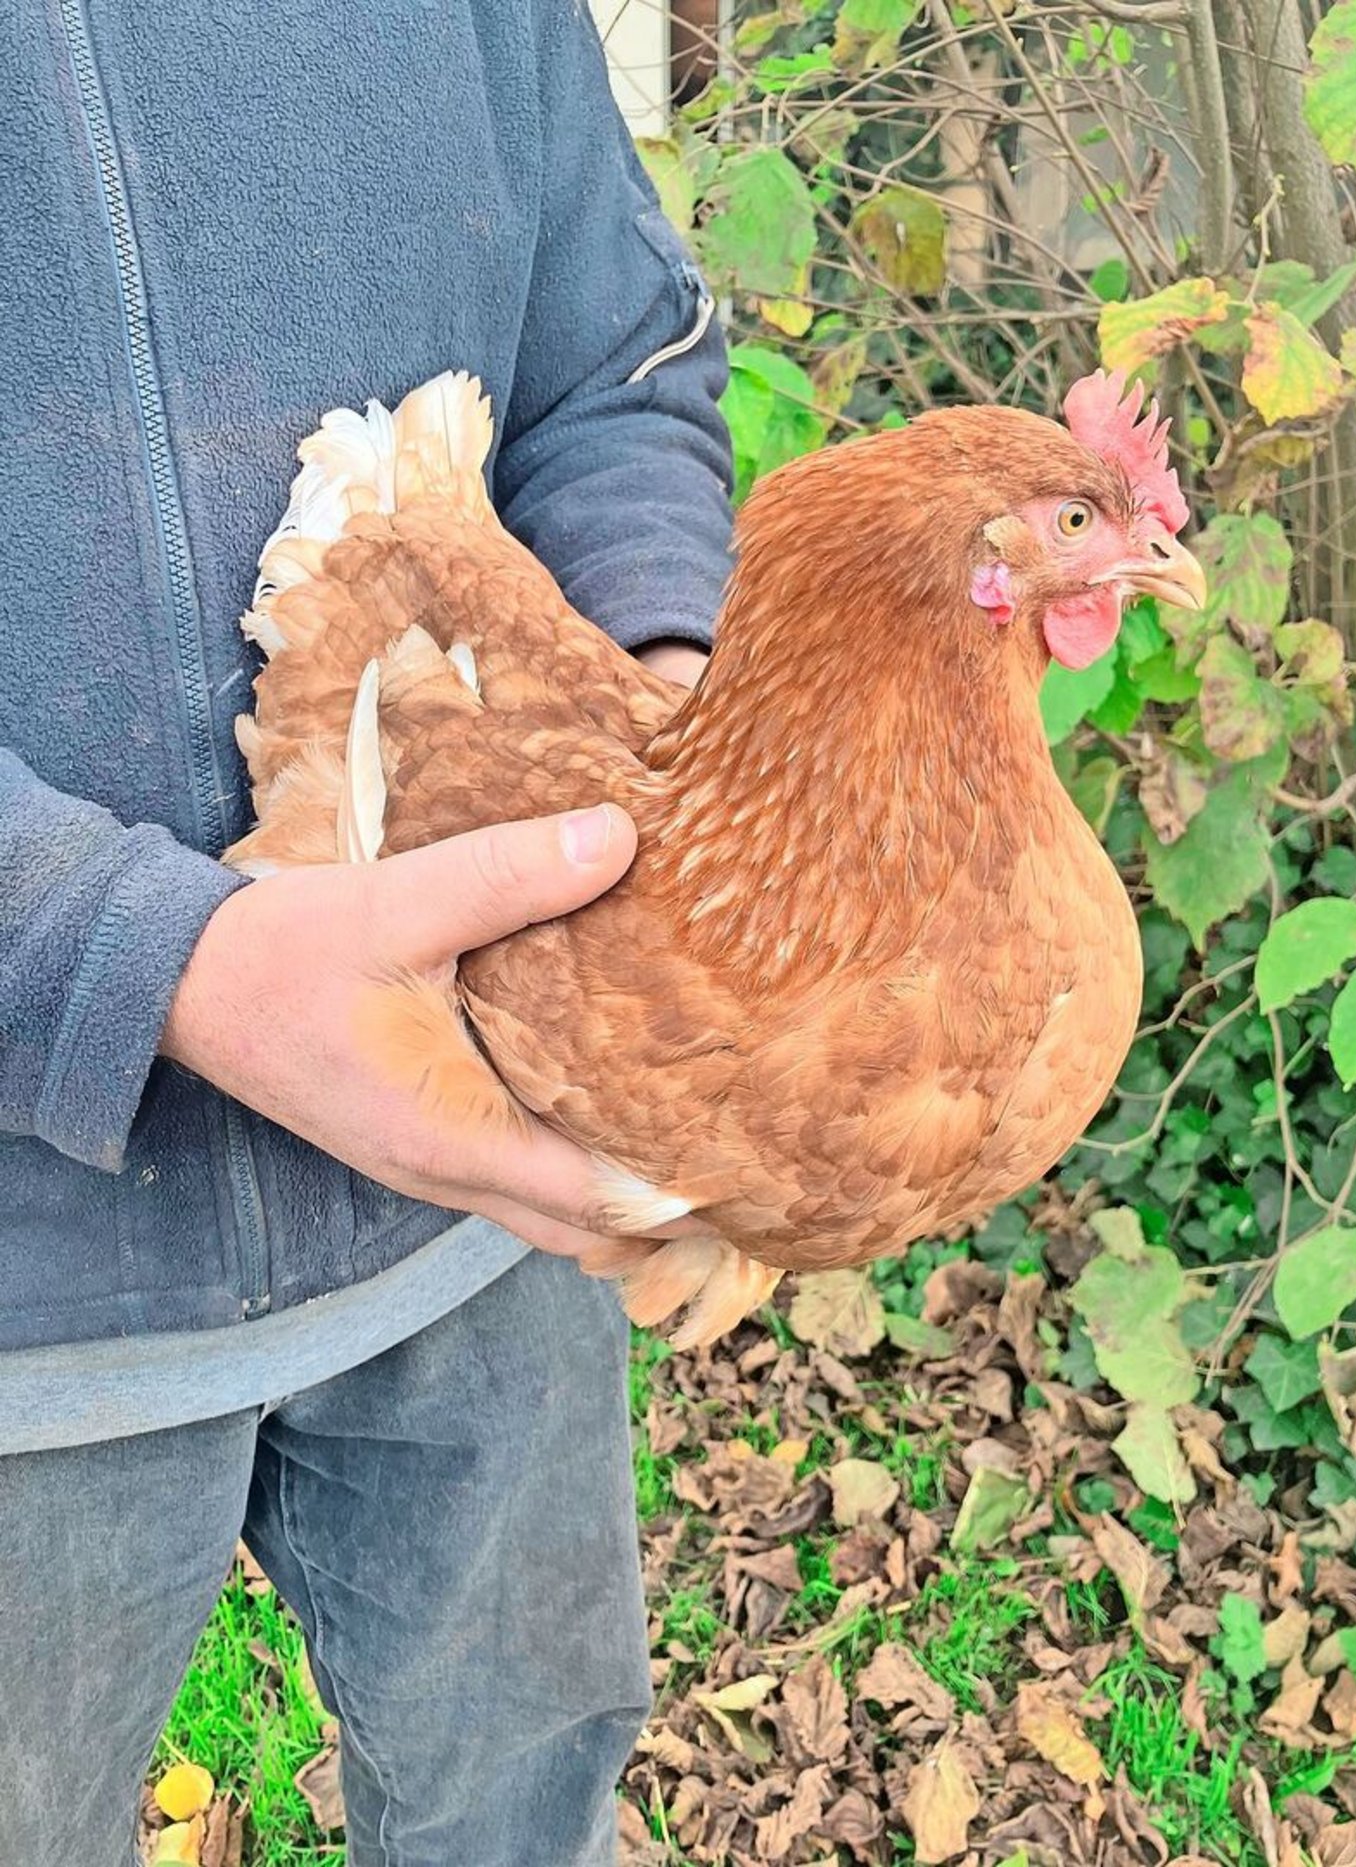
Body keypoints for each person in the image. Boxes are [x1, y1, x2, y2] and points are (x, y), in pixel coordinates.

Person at [0, 3, 733, 1861]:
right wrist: (138, 955)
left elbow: (614, 371)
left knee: (522, 1778)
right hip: (31, 1303)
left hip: (473, 1209)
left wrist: (646, 721)